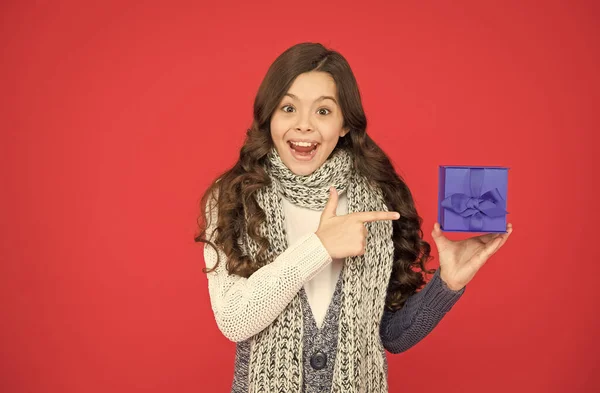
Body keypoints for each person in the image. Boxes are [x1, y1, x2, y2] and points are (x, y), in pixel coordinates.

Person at [194, 42, 513, 393]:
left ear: (346, 123)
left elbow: (391, 335)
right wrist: (319, 246)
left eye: (323, 112)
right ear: (269, 116)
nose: (303, 126)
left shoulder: (378, 199)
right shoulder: (231, 199)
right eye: (288, 108)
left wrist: (447, 283)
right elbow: (235, 320)